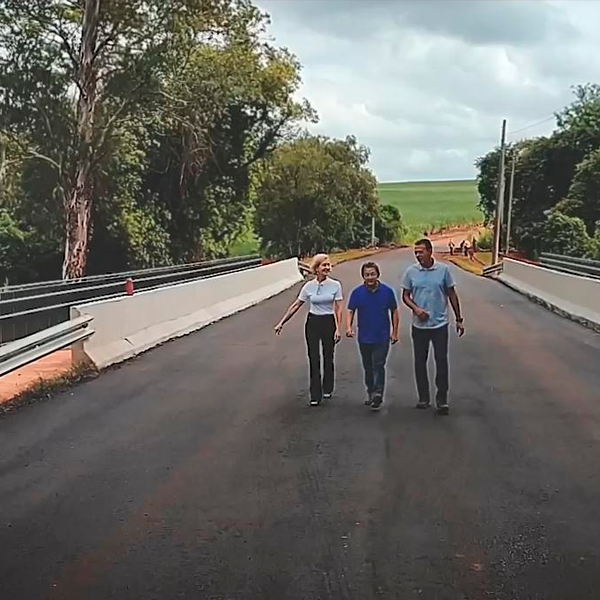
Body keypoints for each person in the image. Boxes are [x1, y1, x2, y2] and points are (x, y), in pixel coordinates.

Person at [401, 238, 465, 415]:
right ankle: (423, 397)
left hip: (440, 324)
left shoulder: (443, 271)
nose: (418, 255)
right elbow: (405, 295)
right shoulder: (411, 272)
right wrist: (416, 309)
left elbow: (451, 294)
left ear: (430, 251)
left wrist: (459, 318)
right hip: (419, 325)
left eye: (421, 251)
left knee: (441, 361)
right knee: (420, 362)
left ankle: (442, 399)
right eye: (416, 252)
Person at [274, 254, 343, 406]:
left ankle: (327, 387)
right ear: (316, 268)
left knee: (328, 355)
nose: (327, 268)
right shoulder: (308, 286)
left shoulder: (335, 285)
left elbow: (338, 308)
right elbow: (296, 305)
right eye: (324, 265)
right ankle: (315, 394)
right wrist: (282, 322)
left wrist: (338, 328)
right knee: (313, 357)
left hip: (328, 321)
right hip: (313, 322)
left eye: (328, 265)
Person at [346, 262, 399, 411]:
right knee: (368, 366)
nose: (370, 277)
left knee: (378, 364)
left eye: (372, 274)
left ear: (378, 274)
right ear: (363, 276)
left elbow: (394, 311)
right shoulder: (357, 293)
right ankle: (370, 391)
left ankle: (378, 393)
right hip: (364, 336)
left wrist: (395, 332)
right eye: (367, 274)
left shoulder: (387, 292)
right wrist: (349, 327)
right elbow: (351, 310)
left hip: (382, 336)